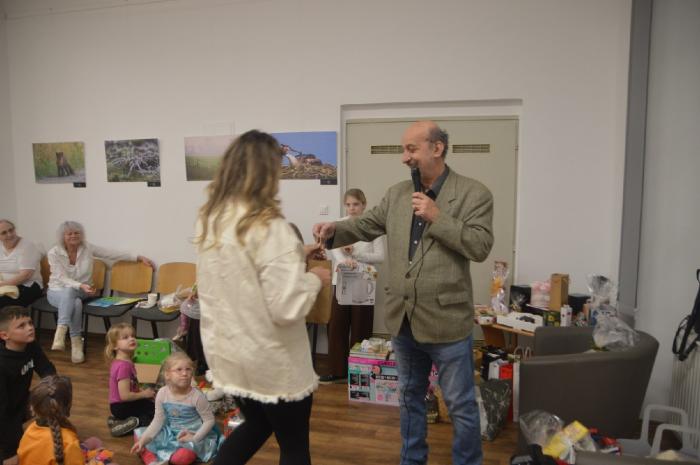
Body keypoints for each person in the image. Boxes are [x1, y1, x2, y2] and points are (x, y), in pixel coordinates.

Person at [313, 121, 494, 465]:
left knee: (460, 405)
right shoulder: (397, 194)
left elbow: (480, 246)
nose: (404, 157)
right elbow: (366, 224)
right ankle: (412, 460)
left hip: (447, 323)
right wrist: (335, 229)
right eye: (403, 149)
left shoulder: (474, 193)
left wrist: (438, 216)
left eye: (411, 149)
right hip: (403, 321)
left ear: (437, 148)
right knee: (409, 398)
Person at [195, 129, 331, 465]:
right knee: (294, 446)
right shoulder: (271, 227)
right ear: (267, 172)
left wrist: (296, 252)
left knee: (257, 424)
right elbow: (287, 307)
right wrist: (314, 279)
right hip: (271, 361)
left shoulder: (212, 220)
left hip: (231, 354)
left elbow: (244, 270)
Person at [46, 221, 155, 364]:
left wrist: (138, 257)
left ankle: (61, 331)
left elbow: (110, 253)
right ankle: (76, 344)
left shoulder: (87, 248)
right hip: (57, 291)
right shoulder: (53, 253)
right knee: (75, 301)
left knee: (73, 294)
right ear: (62, 236)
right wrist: (80, 285)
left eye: (77, 233)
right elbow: (61, 277)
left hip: (84, 290)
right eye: (69, 233)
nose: (73, 236)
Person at [320, 189, 385, 383]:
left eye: (356, 204)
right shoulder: (338, 224)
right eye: (348, 204)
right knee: (337, 326)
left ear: (364, 205)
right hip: (342, 280)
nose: (352, 208)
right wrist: (345, 260)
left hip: (364, 281)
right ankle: (337, 371)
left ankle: (359, 371)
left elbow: (380, 256)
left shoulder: (374, 227)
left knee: (361, 327)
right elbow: (334, 250)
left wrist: (355, 255)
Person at [131, 352, 224, 465]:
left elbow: (209, 420)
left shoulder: (197, 396)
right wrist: (143, 440)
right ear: (167, 375)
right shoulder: (162, 393)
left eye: (188, 369)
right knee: (140, 436)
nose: (184, 373)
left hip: (193, 434)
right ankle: (153, 462)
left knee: (183, 456)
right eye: (179, 370)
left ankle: (167, 458)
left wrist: (194, 438)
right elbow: (157, 421)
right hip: (171, 433)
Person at [17, 375, 119, 465]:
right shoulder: (68, 441)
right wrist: (95, 460)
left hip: (66, 454)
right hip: (70, 453)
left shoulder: (30, 429)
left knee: (94, 441)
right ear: (67, 408)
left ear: (34, 408)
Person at [0, 306, 57, 465]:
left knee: (59, 388)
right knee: (13, 459)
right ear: (4, 335)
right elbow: (1, 413)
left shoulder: (31, 346)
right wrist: (9, 449)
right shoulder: (2, 364)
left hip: (20, 403)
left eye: (30, 323)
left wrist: (52, 390)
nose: (30, 328)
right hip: (4, 414)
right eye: (22, 326)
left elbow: (47, 369)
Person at [104, 322, 155, 437]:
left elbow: (131, 386)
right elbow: (125, 396)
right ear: (115, 346)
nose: (131, 339)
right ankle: (129, 423)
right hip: (122, 406)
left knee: (151, 405)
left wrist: (142, 392)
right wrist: (144, 394)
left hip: (120, 406)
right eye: (125, 337)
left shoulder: (123, 361)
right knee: (152, 415)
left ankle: (117, 420)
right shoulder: (124, 366)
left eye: (133, 336)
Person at [0, 220, 43, 309]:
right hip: (5, 286)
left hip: (28, 286)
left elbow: (25, 276)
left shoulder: (28, 246)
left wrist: (2, 284)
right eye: (4, 233)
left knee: (2, 302)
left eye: (11, 230)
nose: (9, 234)